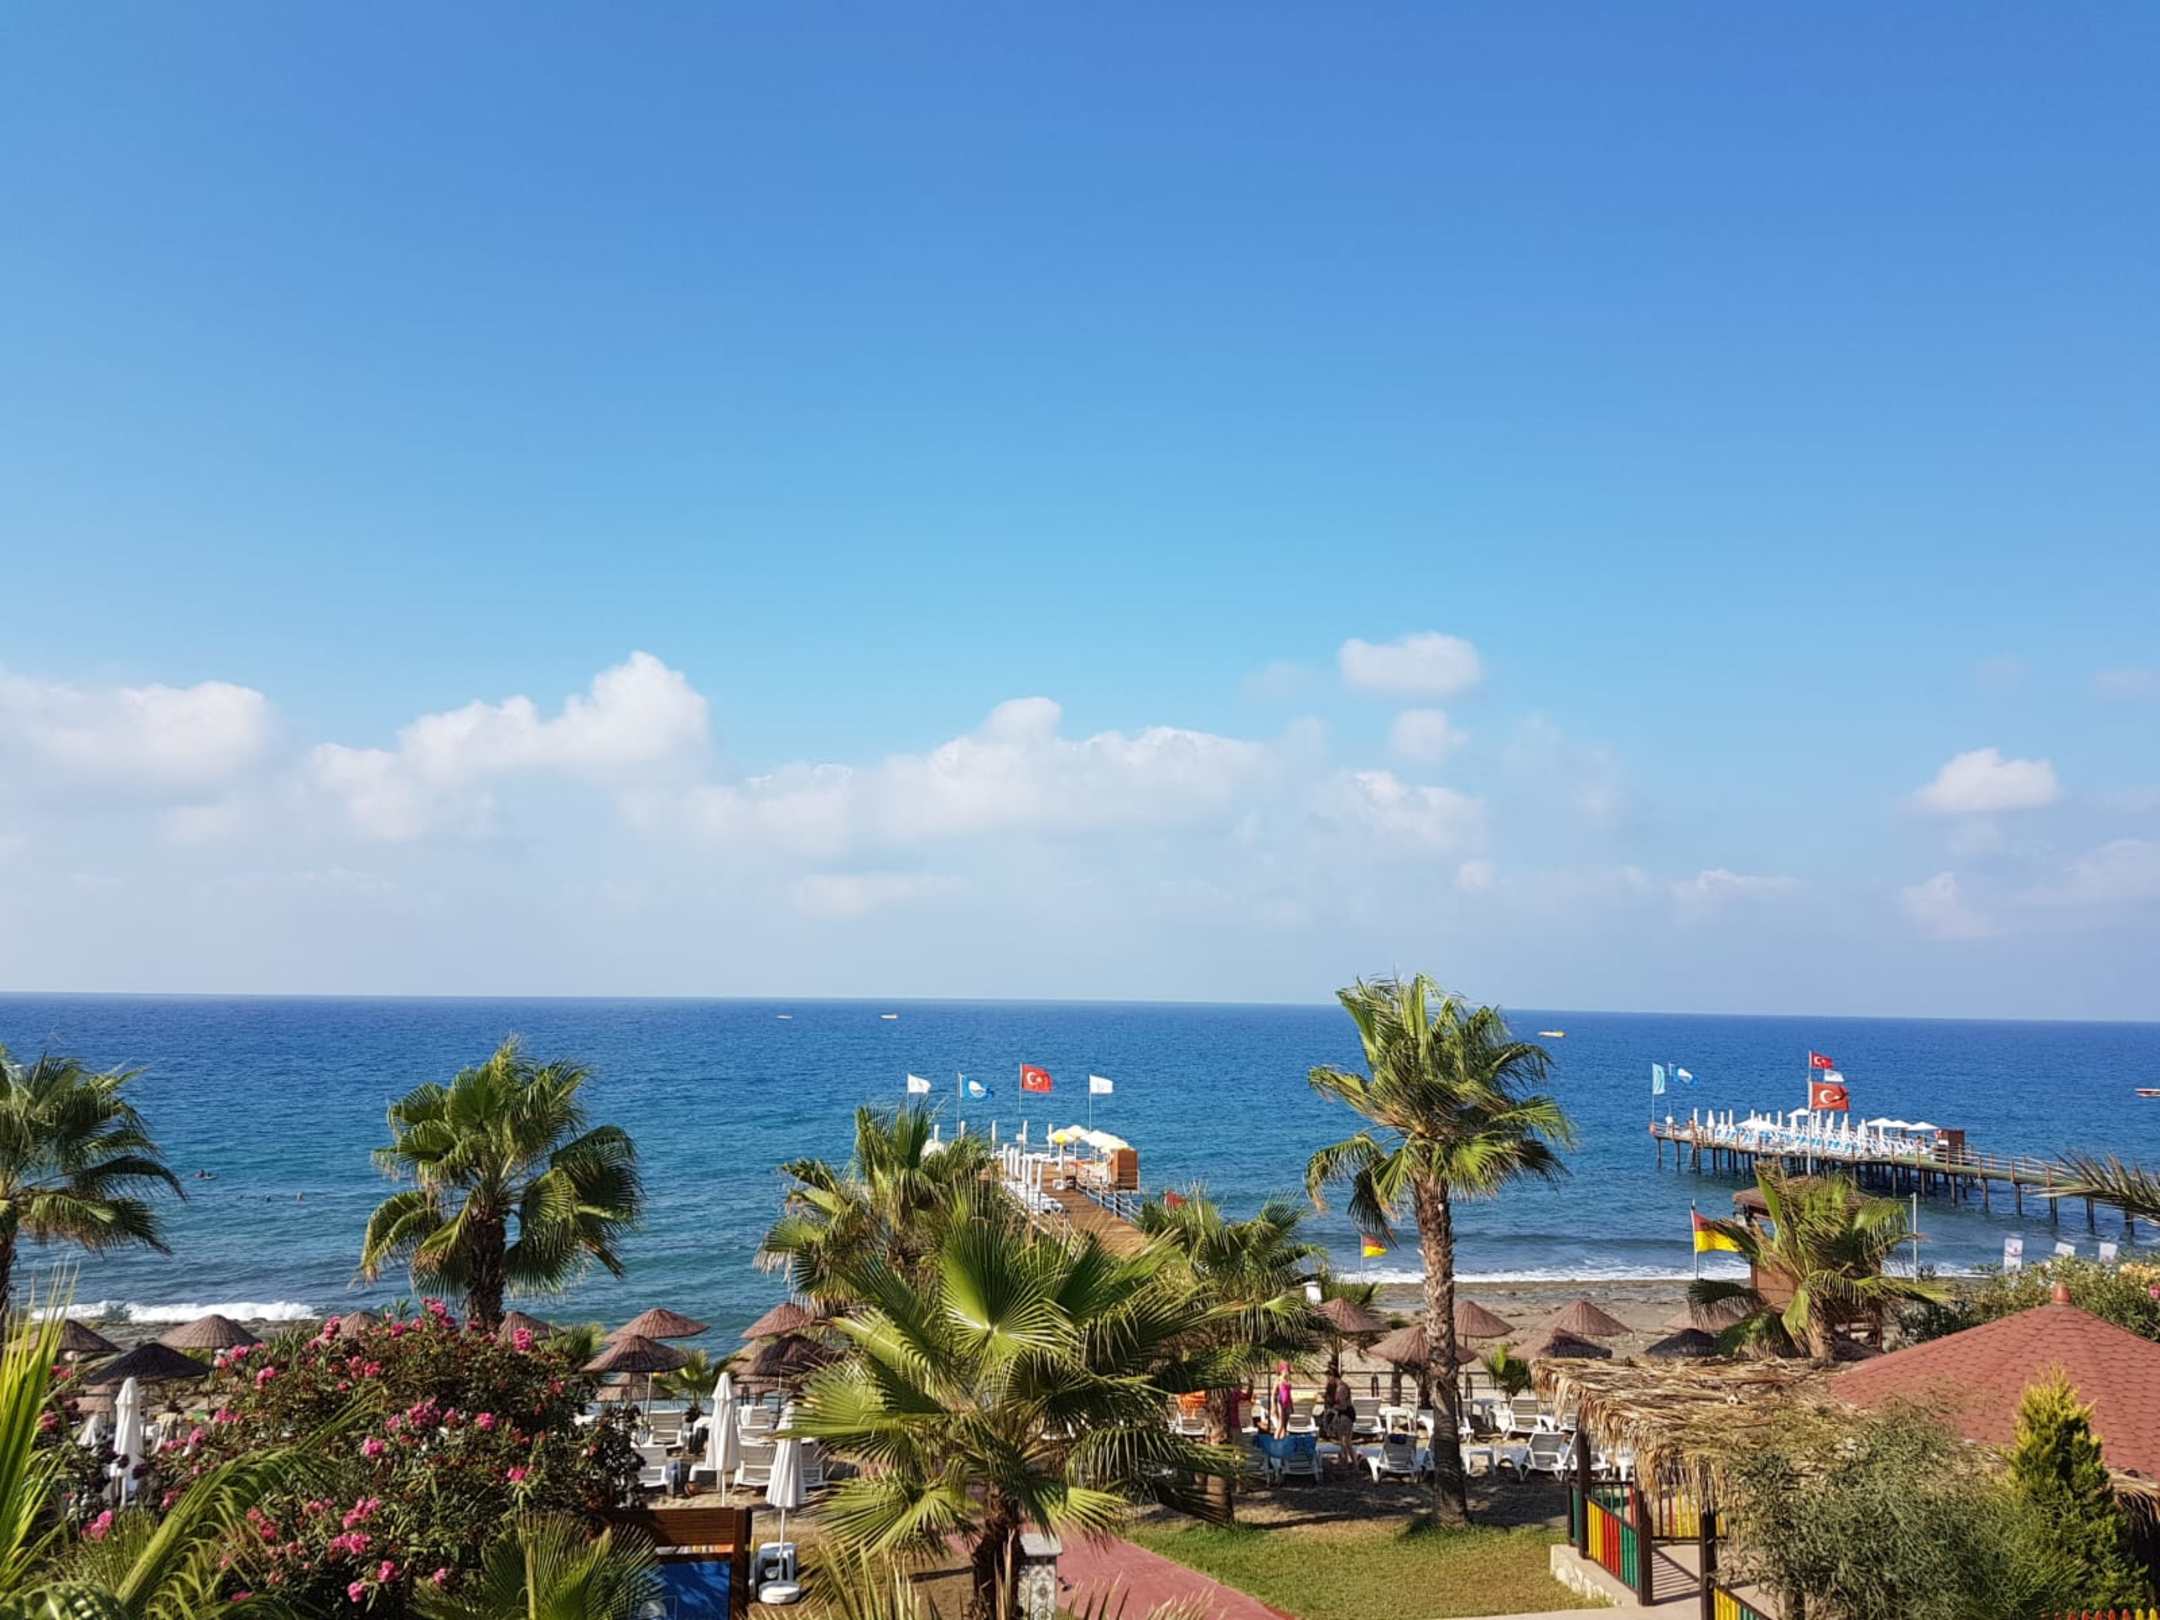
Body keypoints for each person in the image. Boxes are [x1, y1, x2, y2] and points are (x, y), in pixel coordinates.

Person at [1322, 1372, 1358, 1465]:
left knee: (1344, 1441)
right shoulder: (1341, 1386)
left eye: (1328, 1378)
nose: (1328, 1381)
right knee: (1346, 1441)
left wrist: (1332, 1409)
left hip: (1346, 1415)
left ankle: (1349, 1462)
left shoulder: (1341, 1388)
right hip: (1346, 1414)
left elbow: (1343, 1406)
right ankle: (1349, 1462)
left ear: (1333, 1377)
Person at [1272, 1362, 1294, 1435]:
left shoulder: (1288, 1381)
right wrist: (1273, 1406)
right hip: (1280, 1403)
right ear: (1281, 1371)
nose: (1287, 1372)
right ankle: (1276, 1439)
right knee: (1280, 1424)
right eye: (1285, 1370)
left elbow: (1289, 1395)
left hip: (1287, 1404)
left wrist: (1291, 1405)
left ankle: (1283, 1439)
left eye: (1288, 1370)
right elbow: (1273, 1394)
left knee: (1285, 1425)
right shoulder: (1278, 1380)